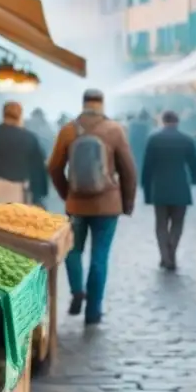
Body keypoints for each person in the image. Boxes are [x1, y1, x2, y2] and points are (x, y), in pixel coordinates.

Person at [48, 89, 137, 326]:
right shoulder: (115, 130)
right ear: (102, 104)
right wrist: (127, 203)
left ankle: (77, 291)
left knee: (72, 250)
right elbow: (128, 170)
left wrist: (67, 193)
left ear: (83, 103)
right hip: (108, 206)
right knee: (100, 256)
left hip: (76, 204)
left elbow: (54, 167)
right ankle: (93, 312)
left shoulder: (68, 130)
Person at [142, 110, 196, 271]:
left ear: (163, 121)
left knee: (161, 225)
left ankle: (165, 256)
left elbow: (147, 168)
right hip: (180, 188)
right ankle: (172, 252)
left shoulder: (154, 140)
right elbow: (194, 164)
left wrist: (147, 191)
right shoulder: (186, 140)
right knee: (177, 224)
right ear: (178, 122)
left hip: (159, 189)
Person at [0, 102, 49, 207]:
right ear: (20, 117)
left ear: (3, 115)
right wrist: (39, 197)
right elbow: (39, 171)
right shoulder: (30, 139)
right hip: (17, 197)